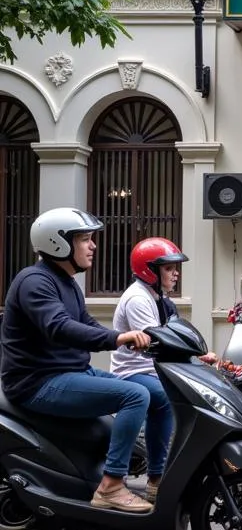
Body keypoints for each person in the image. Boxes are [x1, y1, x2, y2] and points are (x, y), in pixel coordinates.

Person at [0, 208, 163, 513]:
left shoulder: (66, 282)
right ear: (58, 242)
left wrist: (133, 338)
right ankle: (111, 486)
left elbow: (86, 322)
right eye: (85, 239)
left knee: (158, 394)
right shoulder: (35, 282)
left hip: (70, 371)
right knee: (135, 394)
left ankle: (156, 476)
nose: (93, 246)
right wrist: (117, 338)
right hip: (37, 382)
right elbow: (59, 326)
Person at [110, 237, 216, 501]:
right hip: (134, 372)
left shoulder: (161, 299)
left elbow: (179, 336)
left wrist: (200, 356)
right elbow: (158, 342)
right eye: (169, 268)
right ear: (150, 270)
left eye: (175, 268)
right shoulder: (138, 299)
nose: (176, 273)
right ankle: (156, 477)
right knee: (165, 400)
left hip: (157, 369)